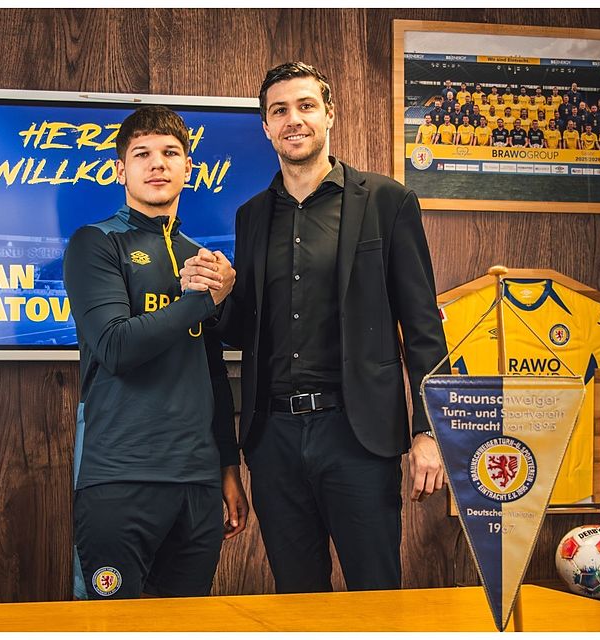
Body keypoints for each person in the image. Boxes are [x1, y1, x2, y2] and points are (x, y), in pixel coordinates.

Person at [181, 61, 447, 594]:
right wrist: (221, 297)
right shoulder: (252, 216)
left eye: (305, 106)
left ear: (329, 114)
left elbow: (422, 328)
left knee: (376, 598)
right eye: (279, 111)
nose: (293, 119)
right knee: (297, 602)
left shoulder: (388, 202)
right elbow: (246, 331)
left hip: (358, 435)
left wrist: (429, 430)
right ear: (266, 127)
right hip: (273, 440)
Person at [63, 106, 248, 600]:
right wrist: (204, 301)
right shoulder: (95, 243)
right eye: (141, 154)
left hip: (197, 482)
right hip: (119, 476)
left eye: (170, 153)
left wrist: (228, 468)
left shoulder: (201, 259)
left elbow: (213, 372)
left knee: (185, 628)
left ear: (189, 168)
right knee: (110, 629)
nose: (157, 164)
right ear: (120, 170)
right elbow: (115, 346)